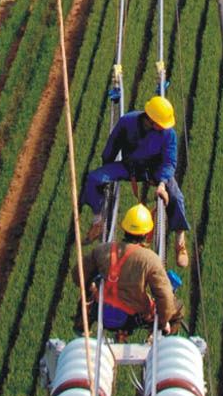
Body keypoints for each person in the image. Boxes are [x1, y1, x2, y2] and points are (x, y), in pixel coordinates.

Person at [81, 95, 190, 267]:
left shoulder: (168, 133)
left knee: (176, 196)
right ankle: (97, 222)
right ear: (151, 120)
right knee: (94, 179)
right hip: (129, 167)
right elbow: (112, 146)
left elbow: (169, 162)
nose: (164, 127)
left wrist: (162, 184)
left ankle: (180, 242)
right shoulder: (127, 122)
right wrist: (107, 171)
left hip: (156, 172)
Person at [76, 204, 183, 335]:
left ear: (125, 228)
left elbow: (78, 275)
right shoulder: (150, 259)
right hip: (132, 318)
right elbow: (165, 297)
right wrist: (162, 322)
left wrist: (91, 288)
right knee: (177, 309)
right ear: (145, 233)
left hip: (100, 311)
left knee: (86, 296)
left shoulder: (102, 249)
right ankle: (165, 339)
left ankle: (80, 326)